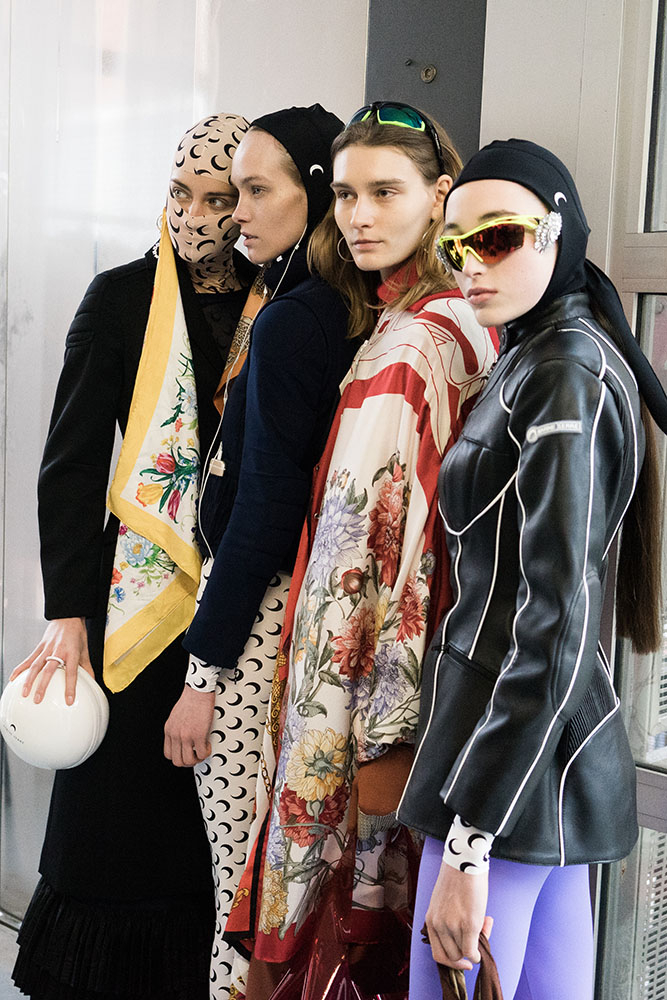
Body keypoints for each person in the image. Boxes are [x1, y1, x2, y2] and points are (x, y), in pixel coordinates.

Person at [224, 103, 496, 997]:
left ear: (440, 196)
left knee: (332, 934)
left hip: (360, 694)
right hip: (376, 684)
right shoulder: (437, 320)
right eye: (345, 194)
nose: (359, 216)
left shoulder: (418, 339)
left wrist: (370, 731)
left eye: (386, 191)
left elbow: (381, 562)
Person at [398, 138, 667, 1000]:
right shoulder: (541, 356)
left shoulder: (561, 371)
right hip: (536, 758)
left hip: (505, 772)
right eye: (453, 245)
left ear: (558, 234)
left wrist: (471, 842)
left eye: (498, 238)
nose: (468, 265)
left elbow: (552, 618)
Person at [11, 113, 257, 1000]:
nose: (194, 215)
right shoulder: (120, 296)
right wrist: (68, 615)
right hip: (134, 606)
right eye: (179, 192)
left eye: (221, 197)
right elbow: (70, 467)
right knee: (115, 829)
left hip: (245, 601)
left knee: (212, 838)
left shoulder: (286, 303)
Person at [162, 104, 359, 997]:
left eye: (253, 190)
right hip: (299, 625)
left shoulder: (294, 318)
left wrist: (204, 677)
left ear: (312, 195)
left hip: (259, 627)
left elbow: (264, 509)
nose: (236, 211)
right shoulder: (307, 301)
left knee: (242, 889)